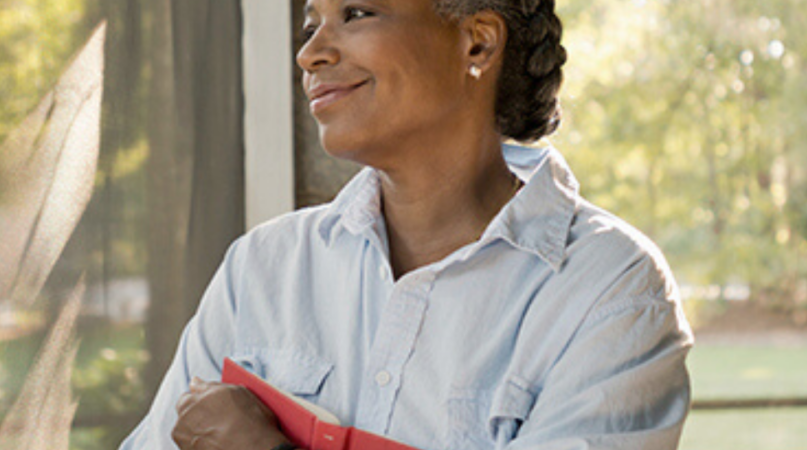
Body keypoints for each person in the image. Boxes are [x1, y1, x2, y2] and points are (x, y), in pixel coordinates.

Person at [119, 0, 693, 446]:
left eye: (356, 14)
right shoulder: (263, 269)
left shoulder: (611, 290)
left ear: (477, 42)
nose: (309, 53)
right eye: (310, 23)